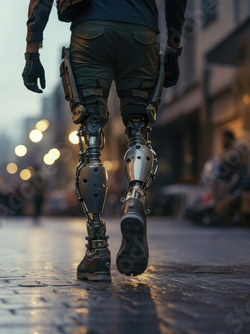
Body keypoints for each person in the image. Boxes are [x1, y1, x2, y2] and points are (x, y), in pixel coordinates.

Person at [23, 0, 187, 281]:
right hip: (141, 34)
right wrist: (172, 45)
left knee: (91, 140)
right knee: (139, 129)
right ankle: (134, 200)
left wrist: (32, 50)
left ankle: (97, 250)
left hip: (91, 33)